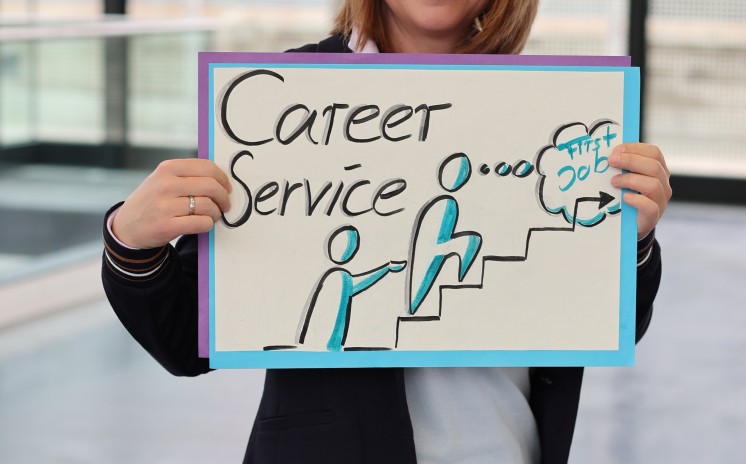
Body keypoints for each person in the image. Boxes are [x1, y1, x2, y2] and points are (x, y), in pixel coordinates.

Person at [101, 1, 670, 463]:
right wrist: (132, 240)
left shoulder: (554, 112)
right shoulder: (280, 101)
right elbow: (184, 339)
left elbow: (603, 319)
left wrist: (632, 238)